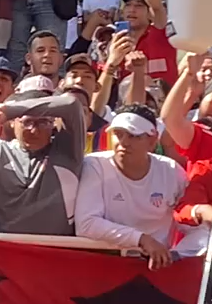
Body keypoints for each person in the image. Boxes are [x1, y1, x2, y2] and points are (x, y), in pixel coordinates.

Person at [75, 104, 195, 269]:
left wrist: (177, 256)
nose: (123, 142)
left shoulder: (171, 171)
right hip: (104, 264)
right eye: (118, 134)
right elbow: (86, 224)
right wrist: (142, 239)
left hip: (159, 268)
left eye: (133, 136)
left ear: (152, 141)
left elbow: (193, 225)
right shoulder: (94, 164)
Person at [0, 91, 85, 235]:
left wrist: (8, 110)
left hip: (55, 250)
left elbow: (71, 104)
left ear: (53, 124)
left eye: (43, 122)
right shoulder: (0, 150)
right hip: (6, 249)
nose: (34, 130)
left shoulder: (67, 151)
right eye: (27, 122)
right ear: (12, 122)